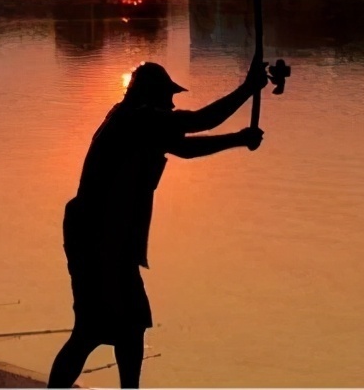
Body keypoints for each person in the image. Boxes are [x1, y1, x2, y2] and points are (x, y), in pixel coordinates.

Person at [47, 60, 268, 388]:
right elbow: (200, 121)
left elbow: (186, 147)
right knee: (92, 330)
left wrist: (237, 139)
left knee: (131, 325)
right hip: (97, 239)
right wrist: (247, 90)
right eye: (167, 96)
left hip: (110, 240)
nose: (172, 103)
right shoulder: (135, 120)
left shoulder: (140, 124)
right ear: (149, 96)